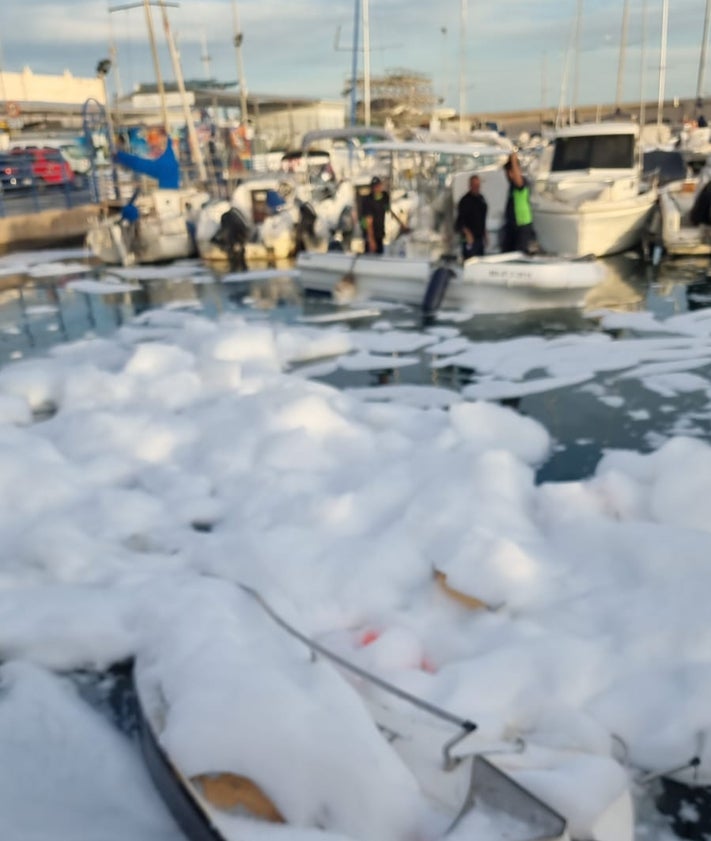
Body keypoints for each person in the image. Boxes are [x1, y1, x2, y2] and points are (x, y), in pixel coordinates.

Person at [113, 127, 181, 190]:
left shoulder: (165, 163)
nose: (149, 141)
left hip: (167, 195)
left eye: (153, 138)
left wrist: (120, 156)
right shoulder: (169, 154)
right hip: (169, 194)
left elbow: (140, 164)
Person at [501, 152, 535, 254]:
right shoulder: (511, 185)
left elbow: (518, 178)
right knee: (507, 251)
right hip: (512, 225)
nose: (506, 175)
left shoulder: (521, 183)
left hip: (522, 225)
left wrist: (514, 160)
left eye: (507, 172)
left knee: (519, 253)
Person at [455, 174, 488, 260]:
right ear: (470, 186)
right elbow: (459, 222)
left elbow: (482, 219)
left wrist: (485, 234)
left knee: (481, 261)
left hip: (479, 238)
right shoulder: (465, 201)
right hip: (469, 239)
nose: (476, 187)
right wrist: (467, 233)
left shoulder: (481, 199)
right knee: (469, 261)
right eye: (474, 185)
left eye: (478, 185)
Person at [360, 176, 390, 254]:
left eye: (378, 186)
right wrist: (371, 241)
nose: (376, 188)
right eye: (374, 186)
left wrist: (402, 224)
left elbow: (389, 210)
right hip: (371, 237)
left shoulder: (384, 197)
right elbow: (368, 221)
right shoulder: (368, 200)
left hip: (380, 234)